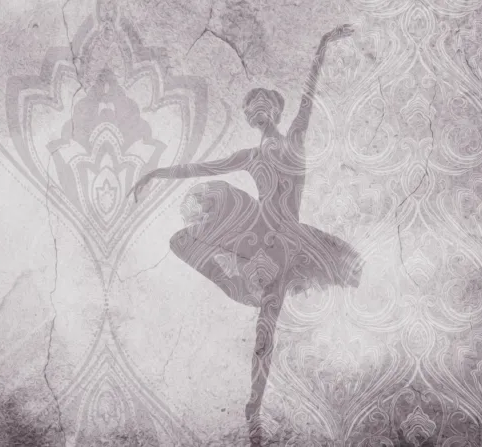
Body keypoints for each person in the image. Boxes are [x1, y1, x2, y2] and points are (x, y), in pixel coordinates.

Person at [128, 25, 361, 445]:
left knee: (270, 326)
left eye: (262, 103)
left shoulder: (295, 138)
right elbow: (201, 168)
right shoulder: (248, 156)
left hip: (293, 243)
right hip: (260, 234)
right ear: (250, 118)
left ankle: (255, 406)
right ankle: (253, 401)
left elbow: (309, 97)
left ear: (275, 109)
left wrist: (323, 44)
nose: (256, 110)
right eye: (250, 107)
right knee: (191, 236)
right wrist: (155, 173)